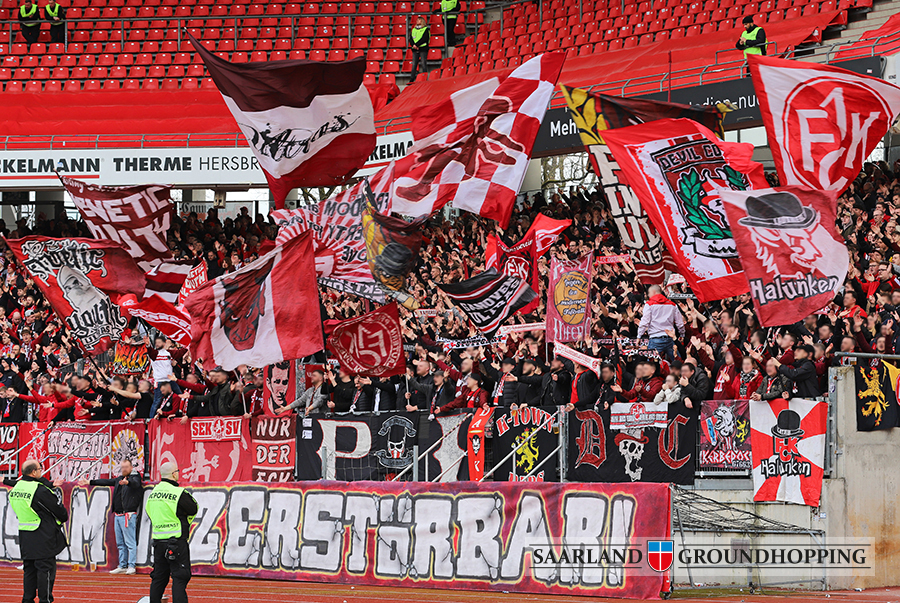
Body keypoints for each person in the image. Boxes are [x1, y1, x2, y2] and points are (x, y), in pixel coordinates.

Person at [8, 459, 68, 603]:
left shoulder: (16, 488)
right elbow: (59, 511)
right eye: (40, 469)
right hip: (43, 535)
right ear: (34, 472)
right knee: (45, 571)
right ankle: (44, 600)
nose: (42, 471)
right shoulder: (39, 489)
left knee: (29, 570)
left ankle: (27, 600)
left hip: (25, 534)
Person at [78, 459, 142, 575]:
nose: (124, 469)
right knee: (120, 543)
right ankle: (122, 565)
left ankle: (131, 566)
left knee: (130, 542)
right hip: (118, 515)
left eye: (126, 467)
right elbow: (106, 481)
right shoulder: (119, 479)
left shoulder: (135, 477)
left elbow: (136, 484)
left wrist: (128, 483)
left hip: (128, 515)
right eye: (122, 467)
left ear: (131, 467)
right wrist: (89, 482)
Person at [146, 462, 198, 603]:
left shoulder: (153, 493)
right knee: (180, 578)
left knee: (158, 578)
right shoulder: (178, 492)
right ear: (174, 474)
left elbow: (149, 512)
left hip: (158, 542)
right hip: (176, 542)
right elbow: (193, 508)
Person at [637, 285, 684, 362]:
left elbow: (644, 322)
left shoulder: (649, 304)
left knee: (651, 366)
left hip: (655, 339)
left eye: (648, 293)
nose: (648, 295)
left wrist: (639, 336)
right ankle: (683, 374)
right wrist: (682, 334)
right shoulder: (672, 304)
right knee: (678, 363)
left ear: (653, 292)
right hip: (669, 338)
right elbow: (680, 323)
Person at [409, 16, 430, 81]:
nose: (417, 21)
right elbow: (411, 38)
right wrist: (414, 45)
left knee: (423, 63)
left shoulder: (425, 29)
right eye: (417, 20)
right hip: (415, 48)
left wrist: (416, 45)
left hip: (423, 48)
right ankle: (412, 78)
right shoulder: (414, 29)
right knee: (414, 64)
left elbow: (425, 38)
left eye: (419, 20)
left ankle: (424, 78)